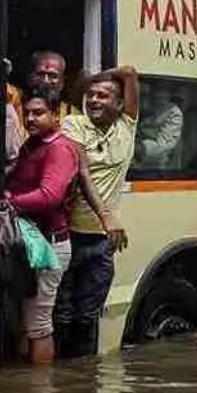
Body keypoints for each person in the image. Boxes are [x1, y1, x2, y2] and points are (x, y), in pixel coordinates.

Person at [55, 66, 139, 359]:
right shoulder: (73, 124)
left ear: (119, 104)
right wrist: (106, 215)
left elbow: (130, 73)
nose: (94, 100)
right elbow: (82, 171)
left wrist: (107, 74)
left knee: (88, 317)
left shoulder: (127, 126)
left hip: (101, 244)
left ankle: (83, 390)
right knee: (62, 316)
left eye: (103, 95)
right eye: (90, 94)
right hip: (67, 237)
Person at [4, 88, 81, 364]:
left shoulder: (59, 149)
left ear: (56, 115)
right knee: (24, 324)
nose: (31, 119)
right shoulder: (32, 145)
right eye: (27, 113)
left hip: (48, 246)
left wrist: (10, 202)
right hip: (29, 242)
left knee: (38, 325)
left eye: (39, 113)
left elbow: (50, 195)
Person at [134, 81, 183, 169]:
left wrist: (136, 148)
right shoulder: (143, 105)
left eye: (162, 90)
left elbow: (163, 147)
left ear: (169, 93)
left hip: (157, 169)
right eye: (155, 89)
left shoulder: (174, 112)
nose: (158, 94)